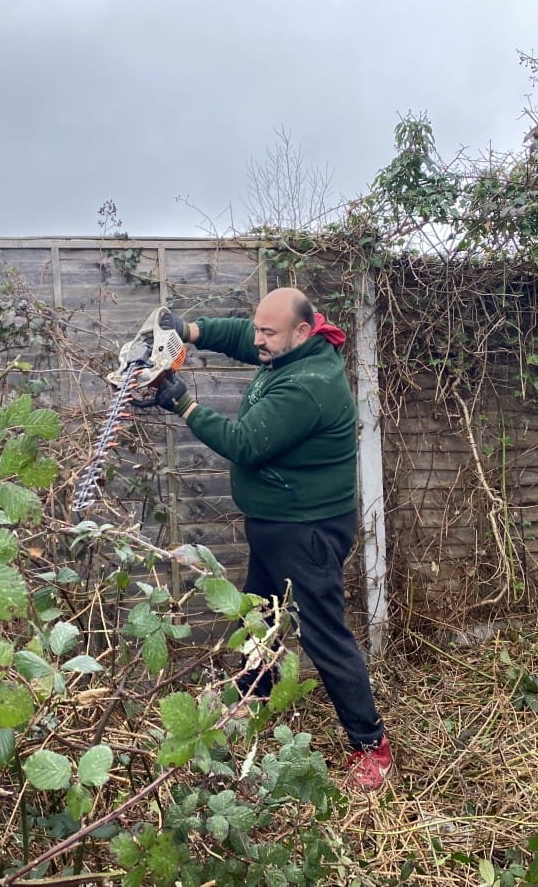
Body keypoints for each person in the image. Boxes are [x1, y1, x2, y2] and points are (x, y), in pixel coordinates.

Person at [149, 287, 392, 791]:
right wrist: (188, 330)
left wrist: (185, 405)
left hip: (306, 530)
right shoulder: (295, 345)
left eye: (268, 332)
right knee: (259, 614)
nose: (257, 339)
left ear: (301, 332)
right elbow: (243, 335)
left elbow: (246, 444)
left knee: (324, 636)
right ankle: (252, 694)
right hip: (276, 522)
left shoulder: (309, 385)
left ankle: (372, 747)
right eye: (259, 327)